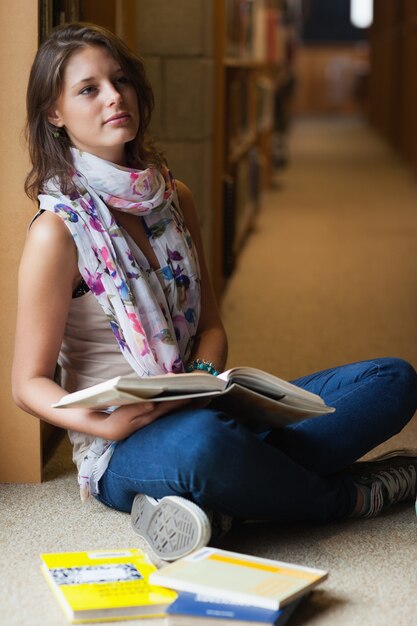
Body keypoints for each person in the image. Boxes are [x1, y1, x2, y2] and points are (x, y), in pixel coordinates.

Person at [12, 22, 417, 566]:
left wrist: (203, 382)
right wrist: (102, 423)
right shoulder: (56, 232)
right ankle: (345, 498)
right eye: (89, 89)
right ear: (55, 113)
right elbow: (27, 384)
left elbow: (211, 327)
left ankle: (224, 504)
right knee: (203, 445)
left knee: (392, 380)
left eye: (122, 80)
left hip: (205, 402)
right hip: (121, 445)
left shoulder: (174, 197)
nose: (114, 97)